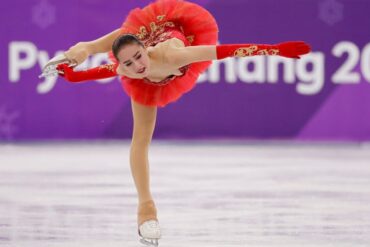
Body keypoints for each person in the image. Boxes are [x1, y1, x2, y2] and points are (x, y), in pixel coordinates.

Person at [47, 0, 311, 246]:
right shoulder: (124, 68)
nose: (137, 66)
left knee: (125, 38)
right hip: (145, 59)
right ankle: (146, 210)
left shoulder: (173, 56)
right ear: (121, 67)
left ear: (143, 50)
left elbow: (226, 51)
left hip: (173, 32)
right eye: (128, 64)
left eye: (138, 57)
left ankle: (88, 46)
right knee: (140, 139)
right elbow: (90, 74)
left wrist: (275, 50)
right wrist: (68, 74)